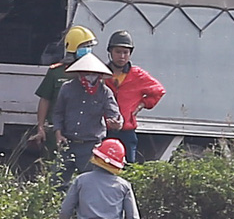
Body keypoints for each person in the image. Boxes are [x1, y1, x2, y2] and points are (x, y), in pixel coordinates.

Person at [53, 51, 123, 179]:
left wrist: (117, 123)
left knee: (90, 180)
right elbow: (58, 113)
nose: (90, 76)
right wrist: (58, 133)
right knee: (58, 181)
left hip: (90, 145)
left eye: (94, 74)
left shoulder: (104, 92)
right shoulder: (67, 88)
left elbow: (115, 114)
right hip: (67, 142)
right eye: (87, 73)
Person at [34, 25, 97, 162]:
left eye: (90, 46)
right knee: (53, 170)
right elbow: (45, 99)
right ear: (73, 47)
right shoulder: (56, 72)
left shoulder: (95, 73)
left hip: (83, 134)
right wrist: (40, 127)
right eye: (84, 46)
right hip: (56, 130)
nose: (88, 50)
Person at [103, 31, 164, 162]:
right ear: (110, 52)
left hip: (126, 131)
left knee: (129, 166)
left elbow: (158, 90)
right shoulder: (101, 72)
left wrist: (143, 104)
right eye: (118, 52)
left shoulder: (137, 74)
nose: (122, 56)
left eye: (126, 52)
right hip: (103, 130)